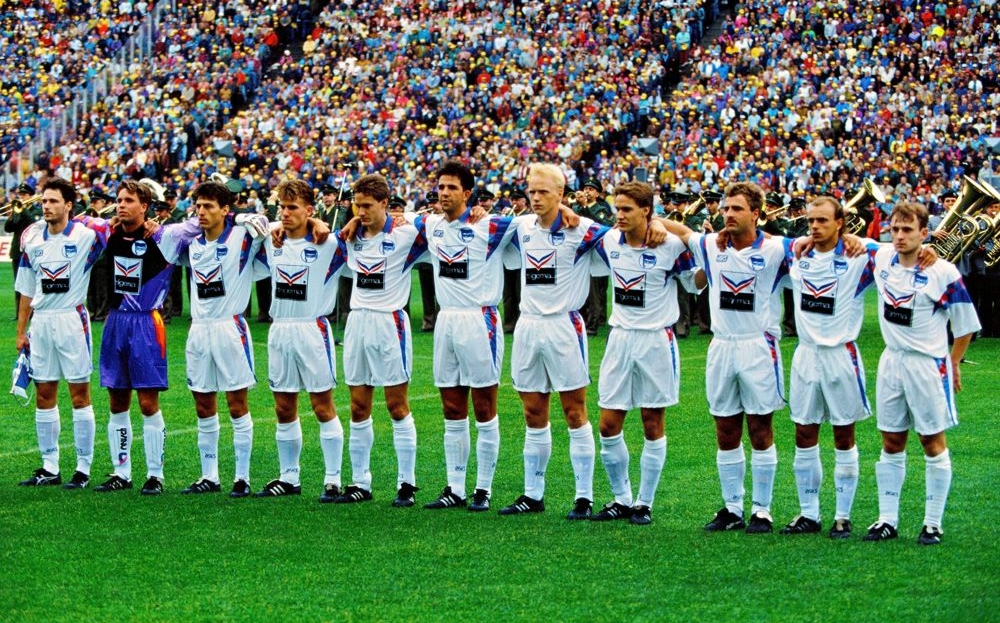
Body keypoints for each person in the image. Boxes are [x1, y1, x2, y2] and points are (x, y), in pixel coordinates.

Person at [499, 163, 666, 519]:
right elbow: (470, 222)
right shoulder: (519, 227)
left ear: (561, 194)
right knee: (532, 413)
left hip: (564, 327)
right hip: (528, 327)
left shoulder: (586, 231)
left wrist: (659, 224)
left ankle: (584, 496)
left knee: (575, 412)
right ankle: (533, 493)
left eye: (544, 191)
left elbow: (629, 234)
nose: (536, 197)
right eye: (531, 190)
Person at [662, 181, 788, 534]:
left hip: (758, 347)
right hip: (721, 346)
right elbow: (674, 227)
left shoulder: (777, 249)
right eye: (725, 208)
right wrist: (659, 221)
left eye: (737, 209)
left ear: (756, 214)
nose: (728, 214)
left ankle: (762, 510)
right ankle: (732, 507)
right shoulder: (710, 245)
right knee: (725, 428)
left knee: (761, 428)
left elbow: (821, 247)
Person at [408, 160, 522, 512]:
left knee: (484, 406)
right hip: (446, 322)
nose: (443, 193)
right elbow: (394, 219)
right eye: (440, 187)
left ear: (468, 194)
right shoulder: (430, 224)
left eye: (452, 188)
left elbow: (533, 223)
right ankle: (454, 487)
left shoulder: (492, 226)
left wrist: (486, 211)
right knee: (451, 407)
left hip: (480, 320)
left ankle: (483, 489)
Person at [863, 201, 980, 545]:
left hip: (927, 365)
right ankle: (887, 519)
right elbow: (850, 241)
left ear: (923, 234)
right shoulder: (882, 257)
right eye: (894, 229)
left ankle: (932, 523)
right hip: (891, 362)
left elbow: (965, 326)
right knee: (891, 440)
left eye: (907, 230)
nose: (899, 236)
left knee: (932, 441)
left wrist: (954, 362)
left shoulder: (943, 272)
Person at [590, 181, 703, 525]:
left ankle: (644, 502)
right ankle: (621, 498)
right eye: (617, 208)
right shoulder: (610, 240)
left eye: (627, 209)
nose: (619, 215)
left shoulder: (669, 246)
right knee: (608, 425)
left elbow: (694, 283)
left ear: (646, 212)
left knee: (652, 423)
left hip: (656, 340)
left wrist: (667, 228)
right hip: (620, 339)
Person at [778, 196, 876, 538]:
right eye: (810, 222)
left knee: (843, 434)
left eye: (822, 221)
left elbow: (898, 250)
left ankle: (843, 516)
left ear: (840, 223)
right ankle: (808, 513)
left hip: (841, 355)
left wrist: (859, 240)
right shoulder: (796, 253)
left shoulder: (859, 255)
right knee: (804, 433)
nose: (815, 227)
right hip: (806, 356)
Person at [91, 180, 193, 495]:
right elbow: (71, 221)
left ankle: (155, 474)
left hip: (147, 322)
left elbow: (203, 224)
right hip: (116, 323)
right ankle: (121, 471)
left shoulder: (161, 237)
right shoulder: (108, 232)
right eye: (119, 200)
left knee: (148, 402)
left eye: (128, 201)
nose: (121, 205)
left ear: (144, 206)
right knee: (116, 400)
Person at [333, 173, 427, 506]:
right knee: (358, 407)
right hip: (357, 321)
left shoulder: (406, 235)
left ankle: (407, 483)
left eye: (368, 206)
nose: (361, 212)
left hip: (390, 323)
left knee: (397, 406)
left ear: (385, 204)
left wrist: (412, 216)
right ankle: (360, 482)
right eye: (357, 205)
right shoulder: (349, 236)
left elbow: (443, 225)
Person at [253, 179, 347, 501]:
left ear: (309, 210)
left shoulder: (328, 243)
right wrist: (279, 222)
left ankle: (333, 479)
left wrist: (320, 221)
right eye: (282, 206)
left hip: (312, 329)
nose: (285, 213)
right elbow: (241, 219)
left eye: (293, 207)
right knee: (283, 407)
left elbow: (365, 231)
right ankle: (289, 477)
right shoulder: (270, 240)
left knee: (322, 407)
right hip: (280, 330)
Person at [175, 180, 268, 498]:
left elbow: (266, 224)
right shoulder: (191, 243)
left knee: (237, 403)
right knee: (203, 403)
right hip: (199, 329)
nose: (201, 212)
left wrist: (242, 217)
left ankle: (242, 477)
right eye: (198, 206)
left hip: (230, 328)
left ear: (225, 210)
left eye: (208, 206)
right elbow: (168, 238)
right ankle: (209, 475)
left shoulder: (242, 236)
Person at [14, 177, 108, 489]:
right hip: (41, 324)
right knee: (44, 393)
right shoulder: (31, 238)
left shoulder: (87, 236)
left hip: (72, 321)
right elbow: (27, 289)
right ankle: (49, 465)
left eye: (54, 201)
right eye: (44, 201)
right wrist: (21, 331)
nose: (46, 206)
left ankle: (83, 468)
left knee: (79, 394)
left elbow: (117, 227)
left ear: (68, 205)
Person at [578, 177, 614, 335]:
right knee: (585, 288)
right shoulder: (576, 207)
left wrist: (586, 207)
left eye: (591, 189)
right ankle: (588, 318)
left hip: (598, 253)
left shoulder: (601, 209)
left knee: (597, 289)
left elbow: (601, 227)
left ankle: (594, 322)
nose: (587, 191)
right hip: (582, 252)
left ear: (598, 193)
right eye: (586, 188)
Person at [6, 183, 40, 321]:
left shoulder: (36, 211)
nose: (22, 197)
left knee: (32, 284)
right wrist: (11, 216)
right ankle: (19, 314)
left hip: (31, 251)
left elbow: (32, 223)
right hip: (17, 251)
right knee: (18, 285)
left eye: (25, 195)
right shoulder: (17, 210)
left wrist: (23, 209)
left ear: (31, 196)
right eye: (20, 195)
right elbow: (8, 229)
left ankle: (33, 312)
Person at [501, 188, 530, 333]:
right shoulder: (507, 215)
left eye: (518, 199)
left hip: (522, 259)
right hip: (507, 258)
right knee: (508, 293)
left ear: (524, 201)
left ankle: (521, 322)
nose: (514, 202)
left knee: (521, 292)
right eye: (512, 199)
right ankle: (509, 322)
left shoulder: (529, 217)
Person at [85, 189, 113, 322]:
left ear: (103, 203)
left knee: (102, 288)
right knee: (90, 288)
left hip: (103, 258)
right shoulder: (87, 217)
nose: (93, 205)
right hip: (89, 258)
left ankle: (102, 312)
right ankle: (91, 311)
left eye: (96, 202)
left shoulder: (109, 218)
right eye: (92, 202)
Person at [415, 190, 440, 332]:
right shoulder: (424, 218)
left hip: (441, 260)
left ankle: (440, 320)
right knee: (427, 292)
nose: (432, 205)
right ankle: (429, 321)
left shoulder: (445, 218)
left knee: (442, 291)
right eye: (430, 203)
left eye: (435, 202)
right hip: (426, 260)